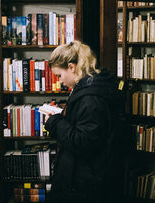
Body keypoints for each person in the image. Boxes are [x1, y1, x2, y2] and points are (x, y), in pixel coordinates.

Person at [44, 40, 125, 203]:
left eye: (60, 75)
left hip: (85, 182)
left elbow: (84, 141)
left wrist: (54, 122)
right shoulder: (88, 86)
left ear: (72, 67)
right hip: (85, 176)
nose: (60, 81)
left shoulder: (90, 98)